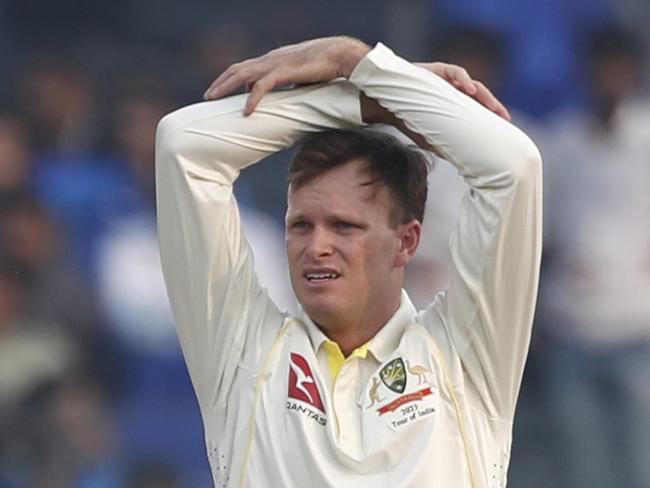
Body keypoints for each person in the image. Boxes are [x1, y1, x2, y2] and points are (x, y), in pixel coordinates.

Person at [155, 36, 541, 487]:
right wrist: (368, 103)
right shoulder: (244, 354)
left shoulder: (464, 359)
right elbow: (182, 145)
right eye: (301, 225)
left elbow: (513, 166)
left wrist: (353, 60)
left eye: (344, 227)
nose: (316, 246)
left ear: (406, 242)